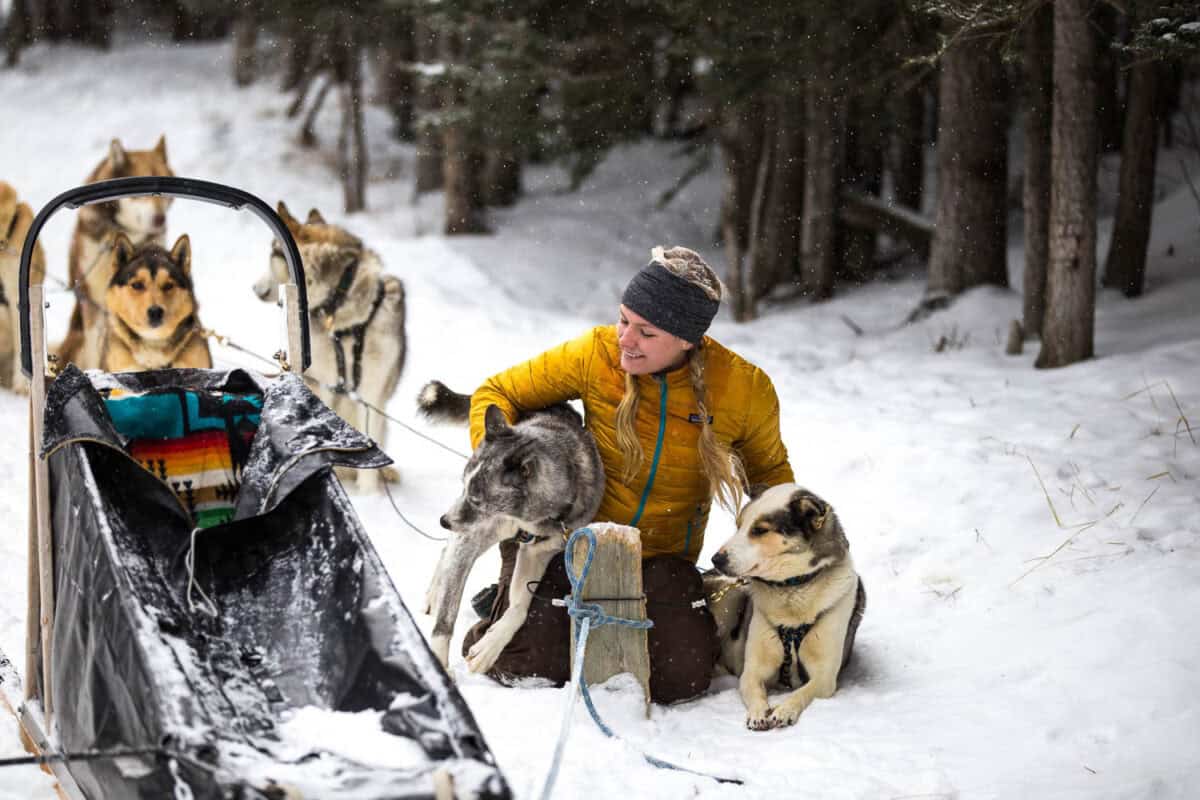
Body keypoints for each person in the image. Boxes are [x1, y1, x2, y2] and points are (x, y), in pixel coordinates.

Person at [462, 245, 794, 703]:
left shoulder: (742, 388)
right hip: (569, 541)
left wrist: (791, 550)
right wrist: (506, 472)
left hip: (661, 558)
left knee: (680, 680)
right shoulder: (594, 354)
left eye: (646, 332)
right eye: (623, 320)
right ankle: (505, 599)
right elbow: (496, 392)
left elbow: (771, 475)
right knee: (526, 665)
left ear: (686, 339)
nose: (625, 339)